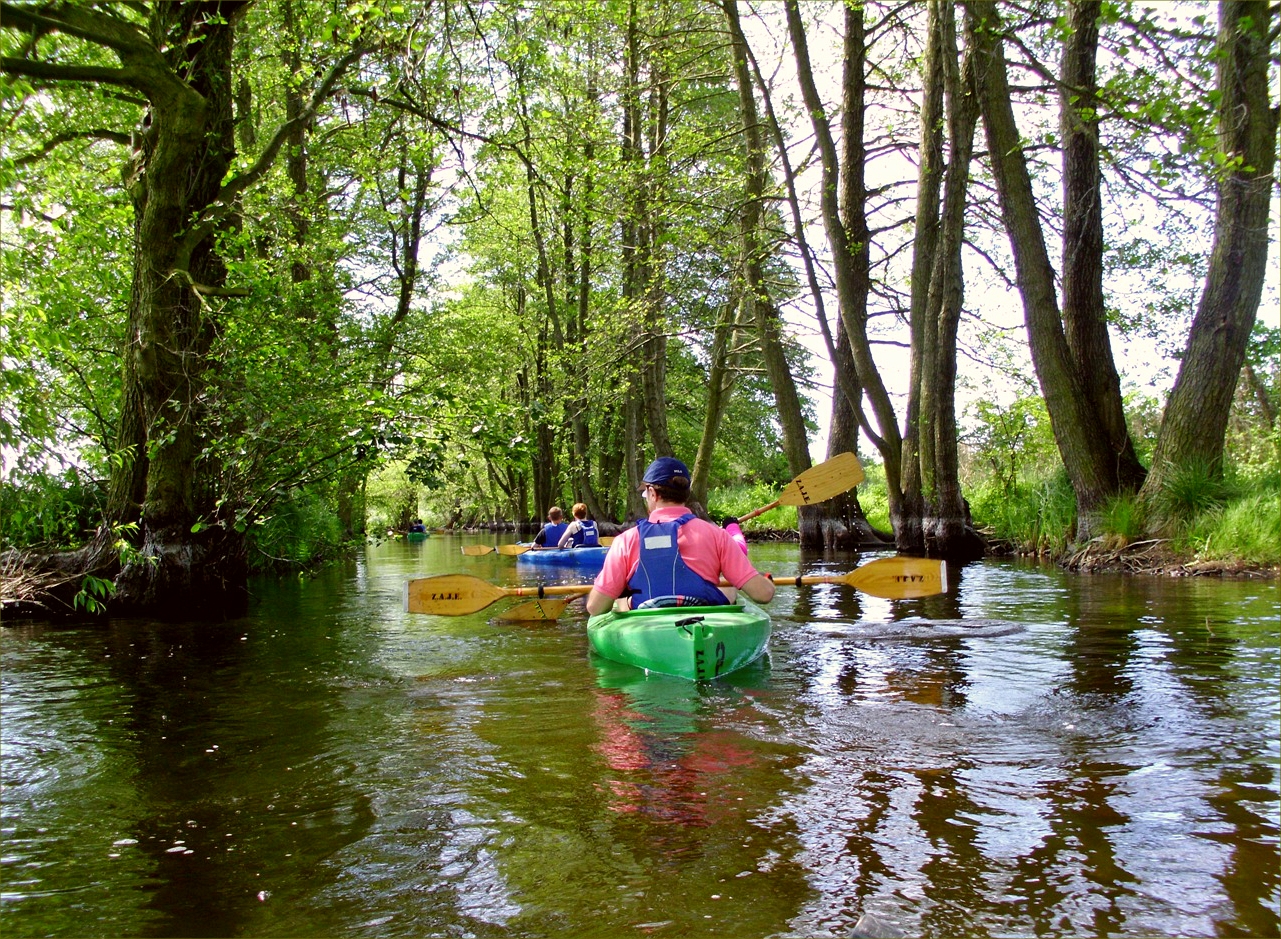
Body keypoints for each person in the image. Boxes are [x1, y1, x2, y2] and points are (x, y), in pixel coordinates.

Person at [585, 457, 775, 615]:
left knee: (622, 601)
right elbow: (764, 594)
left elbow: (595, 607)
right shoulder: (718, 535)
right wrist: (767, 582)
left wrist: (619, 593)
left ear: (652, 493)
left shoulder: (625, 541)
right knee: (730, 589)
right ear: (686, 494)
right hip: (704, 621)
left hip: (648, 626)